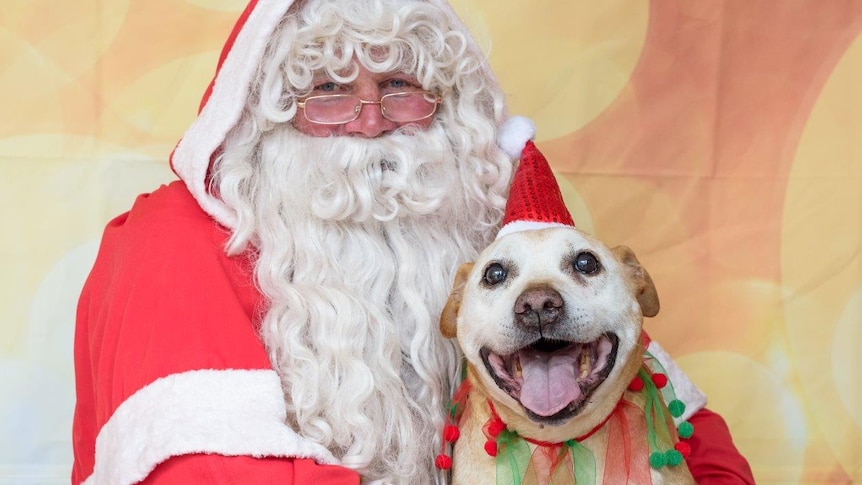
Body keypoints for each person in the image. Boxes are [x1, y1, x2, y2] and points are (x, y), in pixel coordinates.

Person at [71, 0, 755, 484]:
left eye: (400, 85)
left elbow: (667, 422)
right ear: (269, 114)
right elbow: (201, 473)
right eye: (329, 91)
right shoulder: (164, 242)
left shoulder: (484, 225)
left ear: (446, 103)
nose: (371, 122)